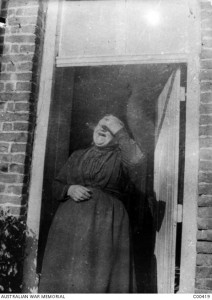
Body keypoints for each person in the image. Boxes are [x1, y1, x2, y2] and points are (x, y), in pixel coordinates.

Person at [39, 115, 144, 293]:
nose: (102, 129)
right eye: (100, 125)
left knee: (99, 274)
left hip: (106, 223)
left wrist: (120, 131)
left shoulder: (121, 158)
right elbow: (56, 185)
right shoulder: (77, 156)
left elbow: (136, 159)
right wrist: (69, 189)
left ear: (117, 136)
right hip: (71, 226)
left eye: (109, 129)